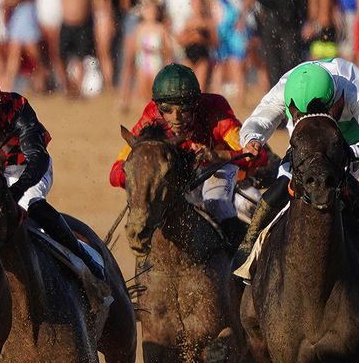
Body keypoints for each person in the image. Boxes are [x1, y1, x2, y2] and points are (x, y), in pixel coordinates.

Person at [0, 69, 109, 293]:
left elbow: (38, 159)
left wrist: (16, 193)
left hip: (22, 169)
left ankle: (85, 263)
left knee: (31, 205)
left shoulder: (17, 108)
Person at [234, 58, 359, 273]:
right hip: (304, 146)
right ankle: (248, 244)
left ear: (335, 99)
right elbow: (260, 120)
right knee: (285, 179)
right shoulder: (287, 86)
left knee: (342, 183)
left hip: (347, 144)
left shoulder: (356, 87)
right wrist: (252, 138)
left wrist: (353, 152)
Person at [109, 63, 259, 246]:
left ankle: (240, 258)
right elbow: (116, 172)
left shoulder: (216, 109)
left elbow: (258, 156)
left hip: (219, 169)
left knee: (216, 202)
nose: (175, 117)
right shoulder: (152, 116)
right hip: (183, 176)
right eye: (167, 109)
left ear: (196, 103)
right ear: (158, 106)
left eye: (184, 109)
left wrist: (216, 156)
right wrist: (143, 179)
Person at [120, 0, 176, 112]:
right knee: (144, 92)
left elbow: (169, 48)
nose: (151, 14)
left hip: (156, 63)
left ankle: (157, 114)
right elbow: (135, 47)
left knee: (155, 92)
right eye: (148, 11)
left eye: (153, 11)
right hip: (143, 63)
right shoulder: (140, 28)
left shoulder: (160, 28)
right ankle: (148, 115)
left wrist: (158, 51)